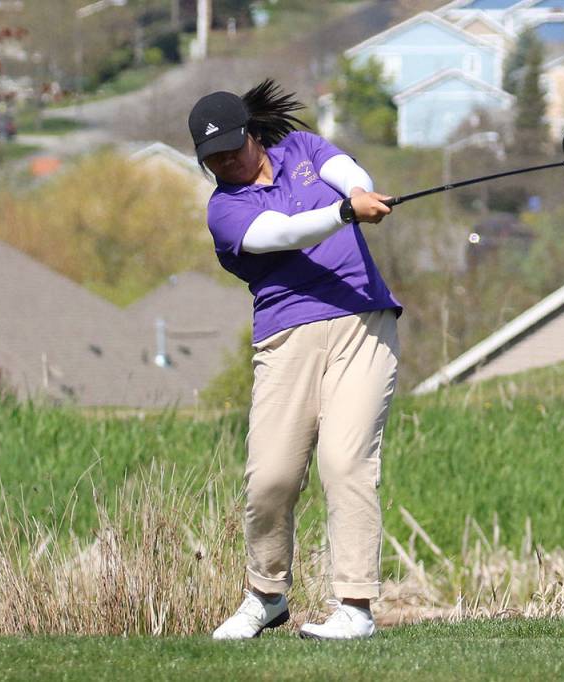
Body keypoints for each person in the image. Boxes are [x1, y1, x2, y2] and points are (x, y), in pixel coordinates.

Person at [187, 79, 401, 641]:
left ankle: (354, 607)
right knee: (271, 478)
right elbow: (282, 234)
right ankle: (268, 595)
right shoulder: (225, 210)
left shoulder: (303, 151)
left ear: (253, 134)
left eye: (233, 147)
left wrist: (359, 194)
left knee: (345, 460)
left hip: (362, 321)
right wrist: (344, 215)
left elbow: (349, 173)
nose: (227, 162)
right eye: (213, 158)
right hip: (286, 337)